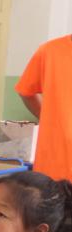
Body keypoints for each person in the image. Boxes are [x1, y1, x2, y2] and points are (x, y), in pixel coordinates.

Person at [17, 34, 72, 182]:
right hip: (54, 165)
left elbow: (26, 93)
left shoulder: (49, 50)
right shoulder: (49, 51)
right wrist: (52, 119)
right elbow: (26, 91)